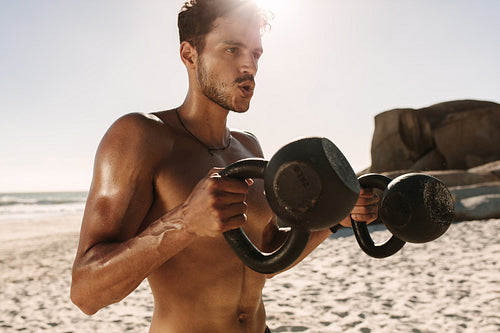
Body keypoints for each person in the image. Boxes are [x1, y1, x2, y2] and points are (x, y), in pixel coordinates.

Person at [70, 0, 379, 332]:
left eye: (256, 54)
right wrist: (185, 222)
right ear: (190, 55)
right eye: (232, 50)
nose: (249, 66)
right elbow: (86, 293)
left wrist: (334, 221)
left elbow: (265, 258)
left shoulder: (249, 147)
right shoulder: (141, 137)